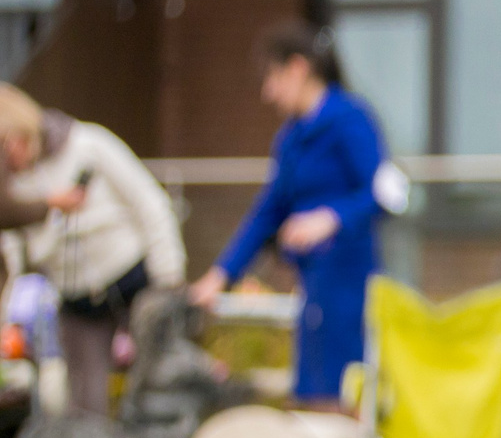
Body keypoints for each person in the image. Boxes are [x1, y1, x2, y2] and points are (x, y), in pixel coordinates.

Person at [188, 24, 388, 408]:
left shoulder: (350, 119)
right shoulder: (291, 137)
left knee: (343, 391)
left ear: (297, 68)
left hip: (350, 283)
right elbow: (268, 211)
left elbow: (381, 191)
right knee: (307, 390)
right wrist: (221, 275)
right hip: (310, 283)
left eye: (272, 79)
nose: (268, 93)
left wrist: (330, 218)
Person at [0, 85, 184, 417]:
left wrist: (169, 280)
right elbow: (12, 253)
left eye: (10, 140)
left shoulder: (89, 144)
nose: (10, 153)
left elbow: (150, 203)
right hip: (76, 299)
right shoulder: (12, 183)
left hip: (134, 283)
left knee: (157, 390)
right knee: (83, 405)